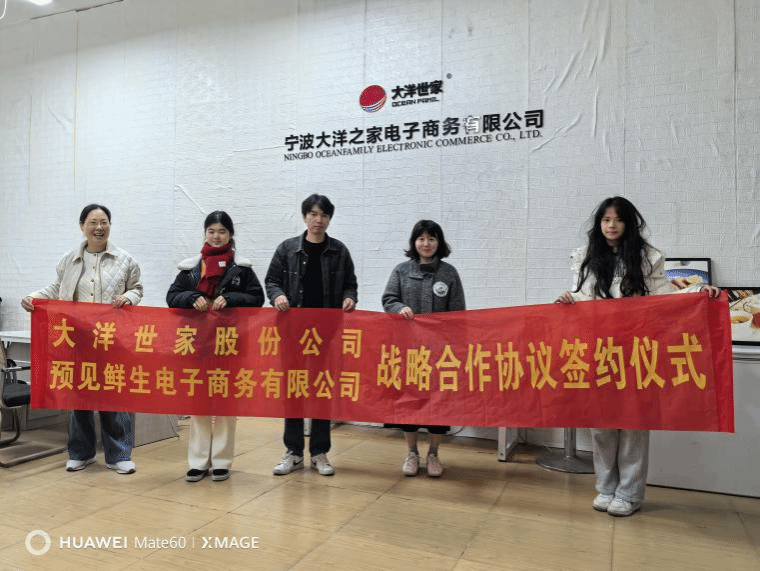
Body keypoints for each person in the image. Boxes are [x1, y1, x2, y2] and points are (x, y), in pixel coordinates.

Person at [555, 196, 719, 516]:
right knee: (601, 422)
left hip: (636, 350)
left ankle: (629, 493)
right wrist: (568, 298)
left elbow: (663, 297)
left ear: (629, 223)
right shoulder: (586, 255)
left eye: (618, 219)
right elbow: (581, 295)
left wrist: (697, 292)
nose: (611, 225)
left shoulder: (647, 257)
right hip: (599, 348)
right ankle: (605, 488)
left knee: (633, 421)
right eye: (605, 220)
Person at [21, 204, 143, 474]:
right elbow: (57, 288)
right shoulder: (70, 259)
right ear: (82, 226)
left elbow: (137, 289)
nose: (99, 227)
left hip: (111, 340)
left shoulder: (125, 260)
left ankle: (119, 455)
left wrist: (128, 297)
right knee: (79, 397)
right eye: (93, 222)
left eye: (104, 222)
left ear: (109, 225)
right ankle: (81, 453)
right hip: (77, 341)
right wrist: (33, 297)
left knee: (113, 396)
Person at [166, 211, 264, 482]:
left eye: (222, 231)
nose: (216, 236)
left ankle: (221, 461)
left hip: (229, 345)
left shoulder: (242, 268)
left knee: (225, 405)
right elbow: (172, 297)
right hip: (196, 345)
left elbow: (257, 299)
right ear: (205, 233)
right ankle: (198, 462)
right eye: (211, 231)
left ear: (230, 235)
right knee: (199, 405)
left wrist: (231, 298)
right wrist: (191, 296)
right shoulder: (190, 268)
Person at [265, 194, 358, 476]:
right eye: (313, 214)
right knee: (293, 389)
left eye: (324, 215)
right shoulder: (287, 248)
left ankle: (319, 452)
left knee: (321, 389)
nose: (318, 220)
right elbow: (272, 280)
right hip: (292, 332)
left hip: (326, 335)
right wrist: (278, 295)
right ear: (305, 216)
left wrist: (349, 297)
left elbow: (350, 284)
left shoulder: (339, 251)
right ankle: (293, 452)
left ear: (329, 219)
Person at [381, 220, 465, 478]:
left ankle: (434, 454)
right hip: (409, 350)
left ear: (439, 242)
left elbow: (458, 313)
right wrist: (399, 308)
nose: (426, 244)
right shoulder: (401, 271)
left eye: (431, 238)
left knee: (439, 403)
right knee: (410, 401)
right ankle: (412, 452)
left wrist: (455, 347)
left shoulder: (448, 273)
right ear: (414, 242)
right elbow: (388, 299)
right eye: (421, 239)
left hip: (440, 352)